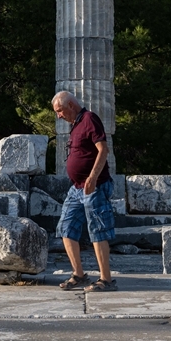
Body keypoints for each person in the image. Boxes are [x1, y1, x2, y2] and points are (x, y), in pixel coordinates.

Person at [51, 90, 117, 292]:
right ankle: (78, 274)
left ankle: (106, 280)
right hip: (76, 188)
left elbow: (103, 149)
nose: (58, 116)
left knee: (97, 230)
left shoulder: (89, 119)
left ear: (71, 105)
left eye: (60, 110)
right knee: (66, 227)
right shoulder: (75, 125)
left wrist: (93, 177)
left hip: (93, 186)